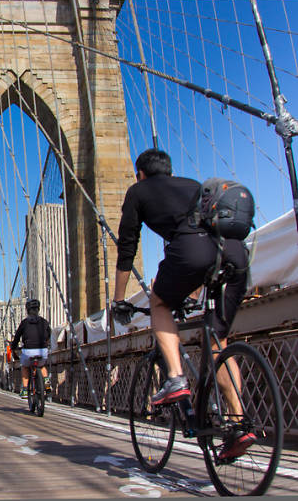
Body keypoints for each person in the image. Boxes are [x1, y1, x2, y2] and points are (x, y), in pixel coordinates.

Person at [111, 148, 251, 459]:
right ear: (171, 171)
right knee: (219, 341)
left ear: (140, 174)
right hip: (236, 254)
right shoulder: (193, 184)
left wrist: (119, 300)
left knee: (159, 303)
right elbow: (208, 234)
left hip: (191, 253)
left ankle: (175, 378)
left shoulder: (138, 191)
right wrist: (190, 295)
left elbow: (127, 248)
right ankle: (241, 424)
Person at [10, 299, 51, 399]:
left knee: (24, 367)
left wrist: (13, 347)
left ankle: (24, 390)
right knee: (41, 365)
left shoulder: (24, 323)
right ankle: (46, 381)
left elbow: (17, 337)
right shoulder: (44, 322)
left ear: (27, 310)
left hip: (28, 351)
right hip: (42, 350)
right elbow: (49, 334)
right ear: (38, 309)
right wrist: (45, 343)